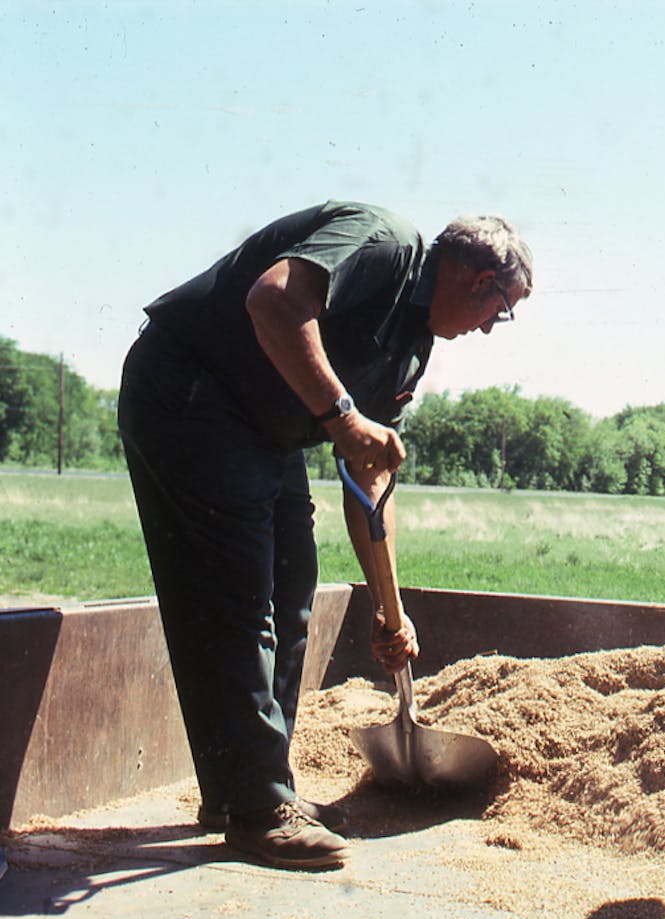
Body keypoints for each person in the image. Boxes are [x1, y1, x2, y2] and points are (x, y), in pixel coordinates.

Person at [118, 202, 533, 870]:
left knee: (292, 593)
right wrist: (343, 418)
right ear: (480, 280)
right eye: (501, 311)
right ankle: (259, 810)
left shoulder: (409, 354)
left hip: (260, 430)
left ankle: (248, 790)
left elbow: (369, 480)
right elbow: (274, 299)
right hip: (189, 389)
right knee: (240, 598)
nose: (490, 329)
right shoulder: (383, 243)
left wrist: (388, 611)